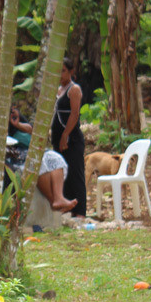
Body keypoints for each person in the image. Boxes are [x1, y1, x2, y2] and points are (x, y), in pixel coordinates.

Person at [9, 106, 76, 212]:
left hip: (35, 150)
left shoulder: (12, 113)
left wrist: (17, 124)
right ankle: (53, 201)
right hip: (16, 155)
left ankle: (59, 198)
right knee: (38, 164)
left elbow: (31, 130)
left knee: (55, 158)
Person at [51, 59, 87, 216]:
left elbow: (74, 113)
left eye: (63, 70)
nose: (60, 74)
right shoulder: (58, 90)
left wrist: (66, 134)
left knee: (75, 174)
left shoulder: (74, 89)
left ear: (71, 71)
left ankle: (80, 212)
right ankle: (67, 208)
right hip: (57, 136)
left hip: (71, 138)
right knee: (63, 174)